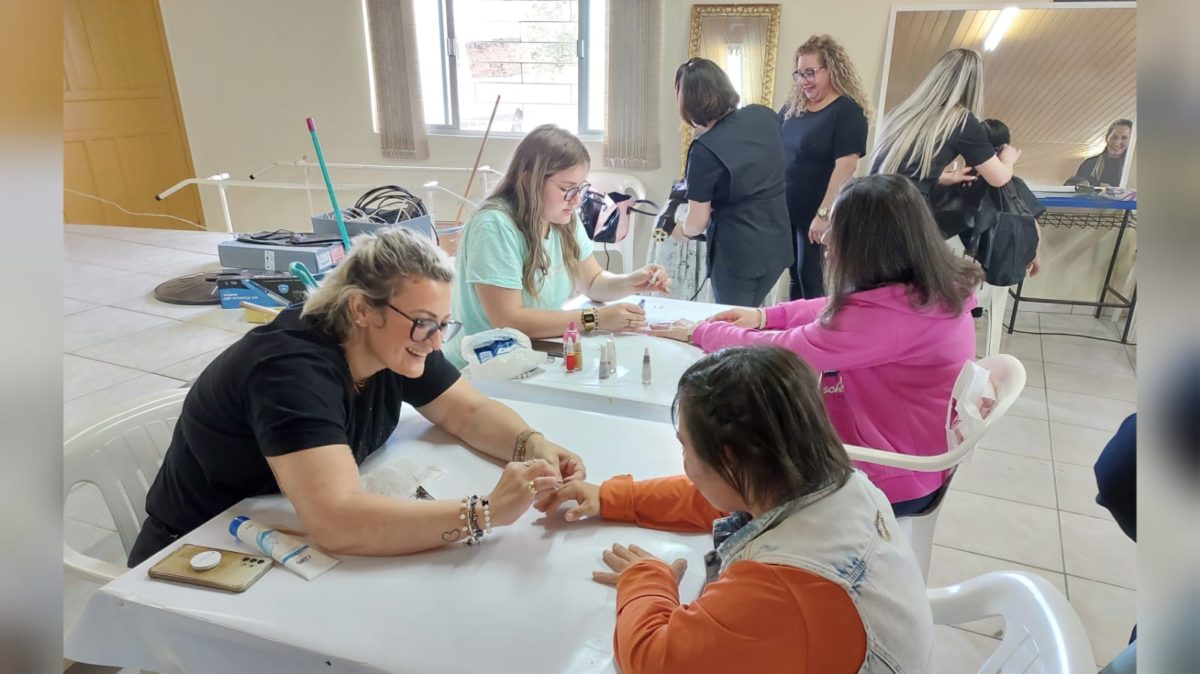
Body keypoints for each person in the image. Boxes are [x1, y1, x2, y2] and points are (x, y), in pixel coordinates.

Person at [129, 228, 584, 566]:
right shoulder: (289, 371)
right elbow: (338, 521)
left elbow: (467, 411)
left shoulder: (391, 345)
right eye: (425, 322)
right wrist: (485, 512)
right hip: (198, 549)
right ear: (362, 309)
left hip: (272, 525)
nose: (434, 340)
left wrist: (531, 443)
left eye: (444, 325)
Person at [539, 346, 934, 673]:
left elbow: (653, 660)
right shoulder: (840, 485)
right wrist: (611, 497)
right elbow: (716, 497)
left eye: (685, 445)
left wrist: (647, 578)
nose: (685, 462)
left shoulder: (784, 589)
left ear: (729, 460)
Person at [648, 174, 980, 516]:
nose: (825, 239)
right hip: (909, 455)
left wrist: (701, 331)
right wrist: (764, 317)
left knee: (742, 465)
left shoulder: (889, 319)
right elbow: (838, 308)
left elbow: (789, 349)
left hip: (891, 476)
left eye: (836, 230)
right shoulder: (925, 288)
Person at [446, 124, 670, 368]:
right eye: (566, 189)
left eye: (581, 188)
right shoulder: (494, 226)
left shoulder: (563, 220)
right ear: (528, 180)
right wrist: (594, 318)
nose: (576, 200)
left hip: (532, 354)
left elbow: (593, 281)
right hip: (483, 366)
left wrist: (632, 282)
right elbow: (509, 320)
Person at [674, 57, 793, 307]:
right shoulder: (763, 115)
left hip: (739, 258)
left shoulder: (704, 151)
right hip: (778, 246)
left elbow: (697, 222)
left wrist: (681, 231)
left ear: (689, 105)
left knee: (732, 328)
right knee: (751, 318)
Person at [779, 35, 870, 300]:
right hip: (788, 210)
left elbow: (847, 165)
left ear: (832, 70)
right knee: (795, 277)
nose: (804, 80)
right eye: (799, 73)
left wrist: (823, 214)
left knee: (813, 282)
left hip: (818, 213)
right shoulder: (792, 109)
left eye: (811, 72)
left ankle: (815, 338)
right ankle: (795, 337)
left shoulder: (847, 111)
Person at [870, 48, 1020, 201]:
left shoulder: (903, 113)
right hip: (906, 208)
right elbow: (998, 178)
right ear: (975, 86)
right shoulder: (961, 121)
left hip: (869, 202)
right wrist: (1008, 160)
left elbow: (905, 170)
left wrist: (944, 177)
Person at [1065, 119, 1133, 187]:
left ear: (1131, 141)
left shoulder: (1133, 168)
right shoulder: (1089, 163)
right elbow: (1074, 188)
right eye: (1114, 137)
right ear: (1107, 138)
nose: (1117, 143)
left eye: (1124, 138)